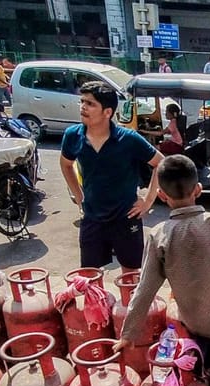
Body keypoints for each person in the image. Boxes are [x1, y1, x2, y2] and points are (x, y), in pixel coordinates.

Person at [113, 155, 210, 373]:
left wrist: (128, 334)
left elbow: (145, 289)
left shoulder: (159, 235)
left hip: (193, 330)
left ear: (162, 195)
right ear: (198, 189)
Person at [59, 81, 165, 271]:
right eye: (82, 102)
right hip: (92, 216)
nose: (83, 107)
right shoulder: (73, 135)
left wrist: (148, 201)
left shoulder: (128, 139)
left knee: (131, 275)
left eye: (90, 104)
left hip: (126, 217)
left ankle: (129, 302)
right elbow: (66, 164)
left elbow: (161, 163)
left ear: (107, 112)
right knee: (90, 275)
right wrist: (78, 196)